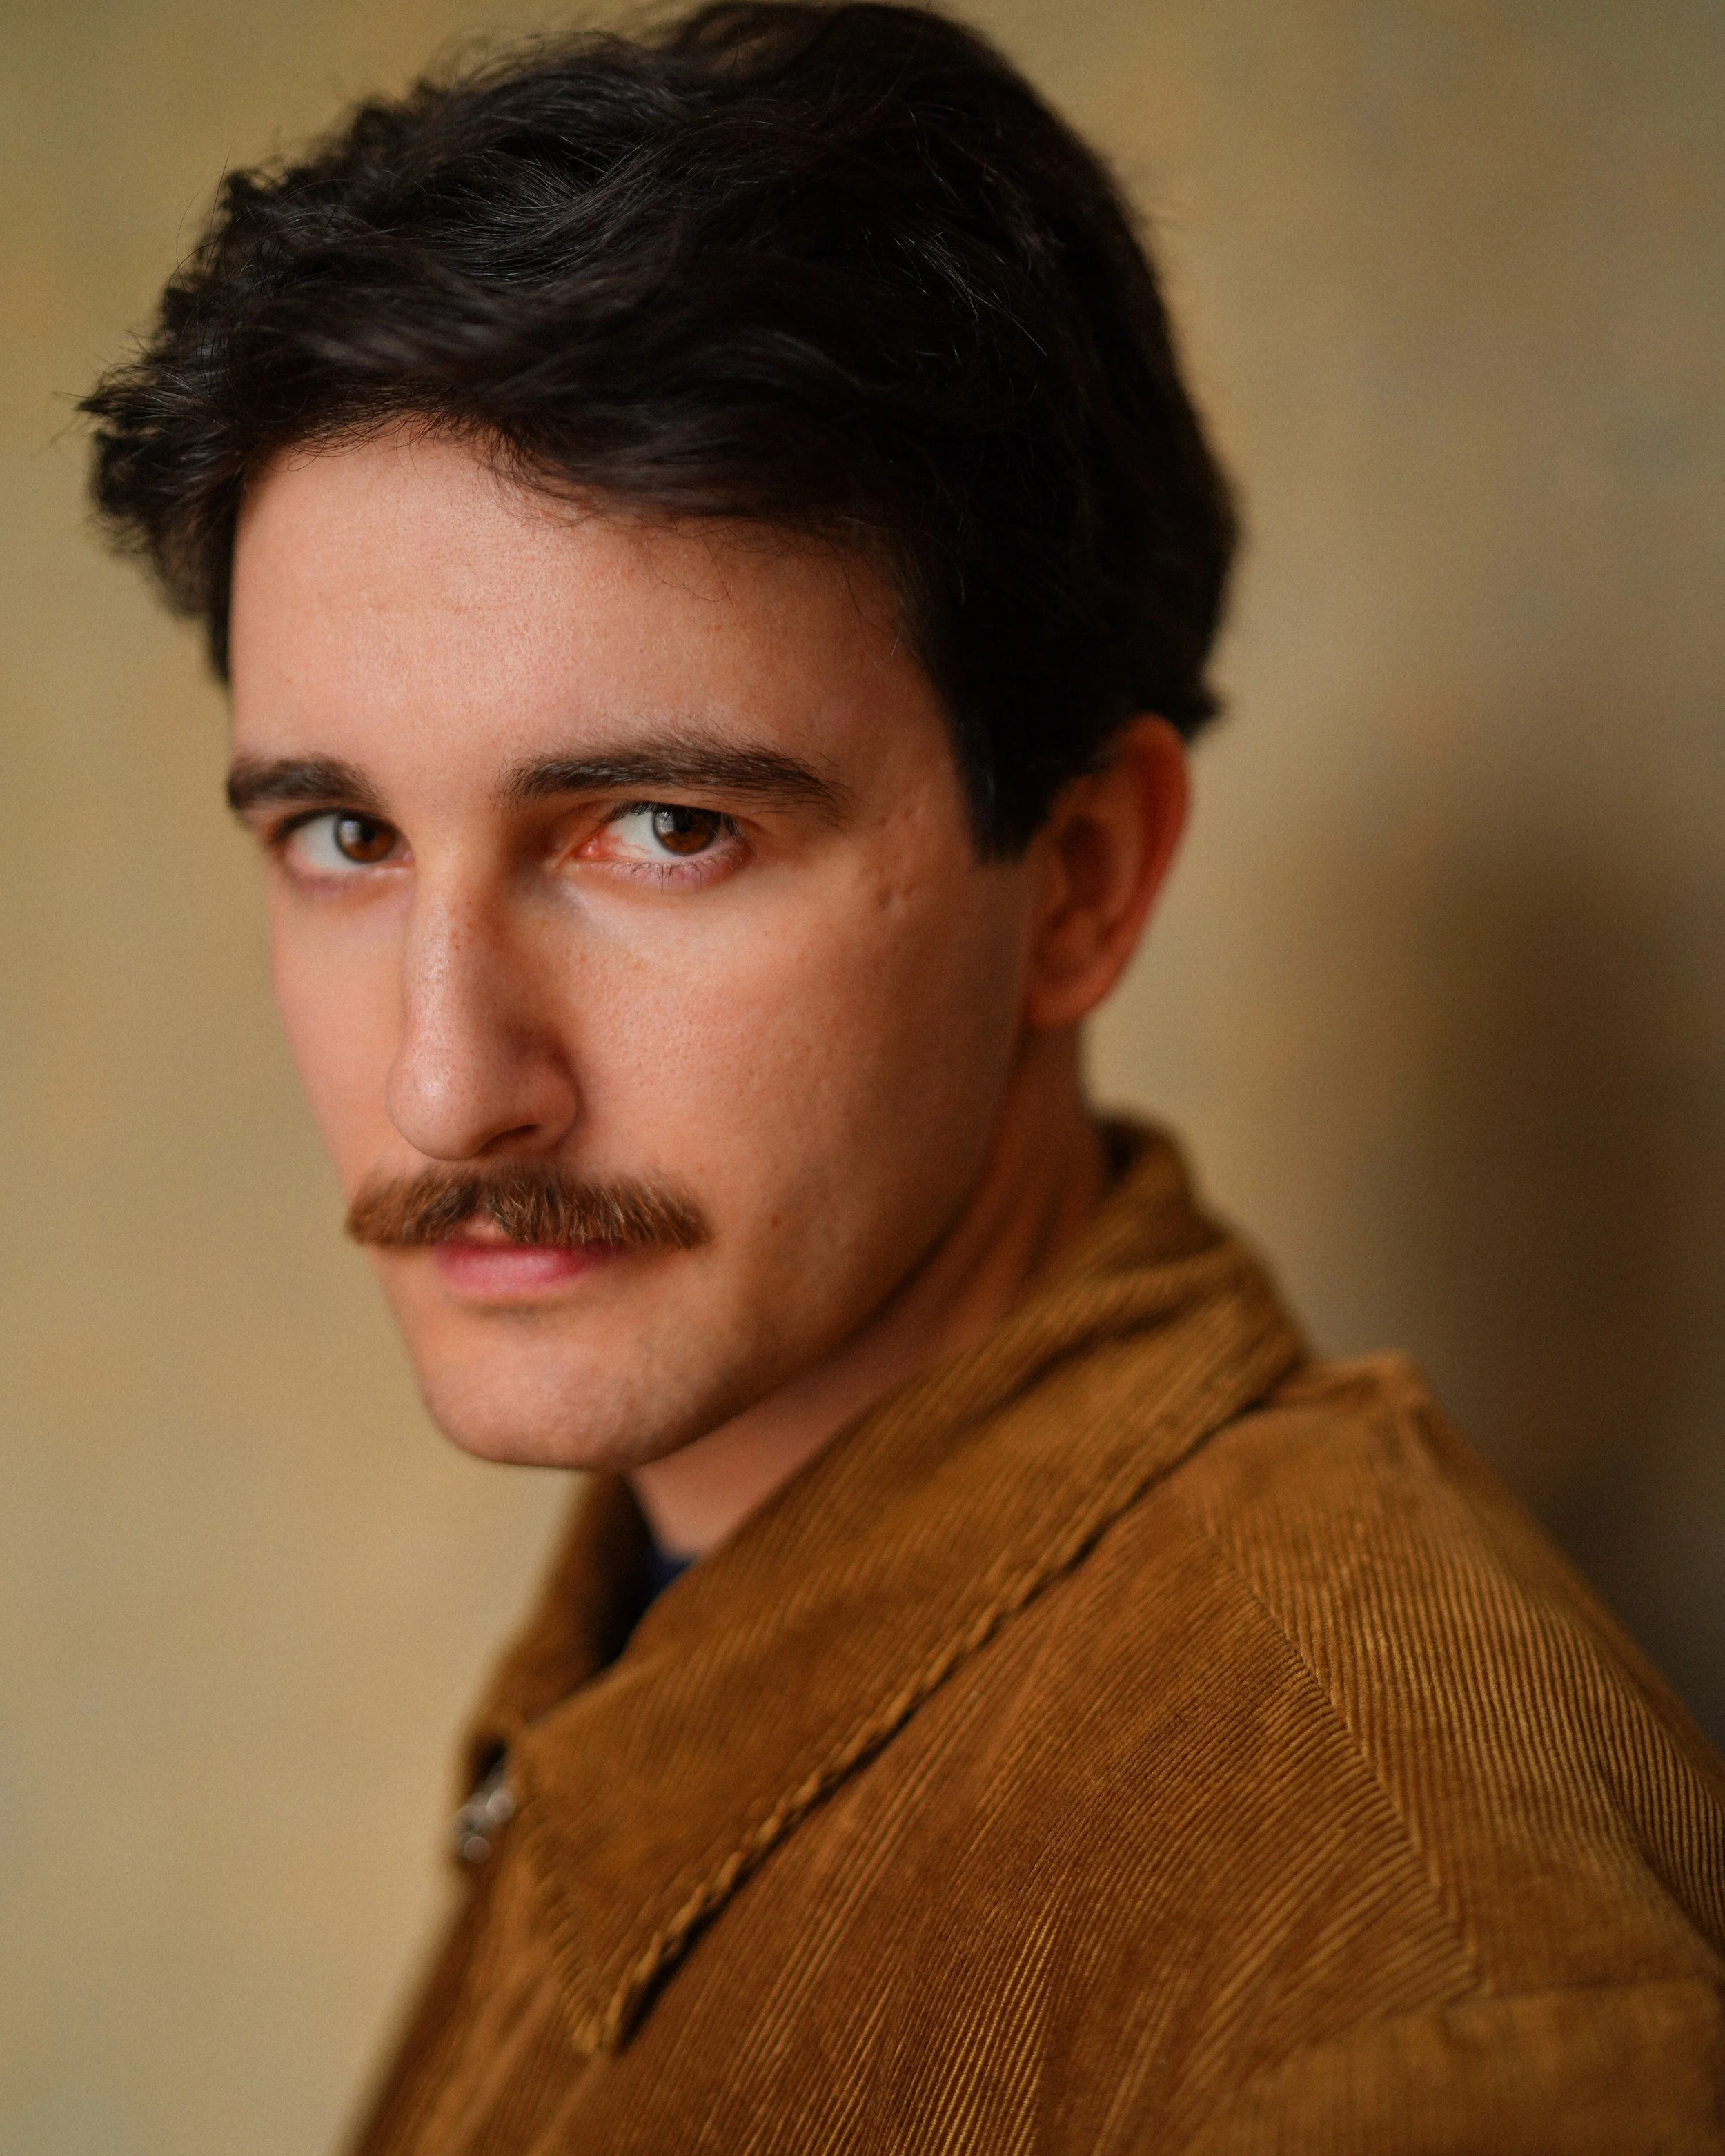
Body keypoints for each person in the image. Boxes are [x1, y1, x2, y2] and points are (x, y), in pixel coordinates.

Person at [81, 3, 1725, 2148]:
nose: (445, 1088)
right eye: (341, 835)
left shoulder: (1411, 1997)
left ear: (1079, 880)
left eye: (662, 828)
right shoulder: (671, 1594)